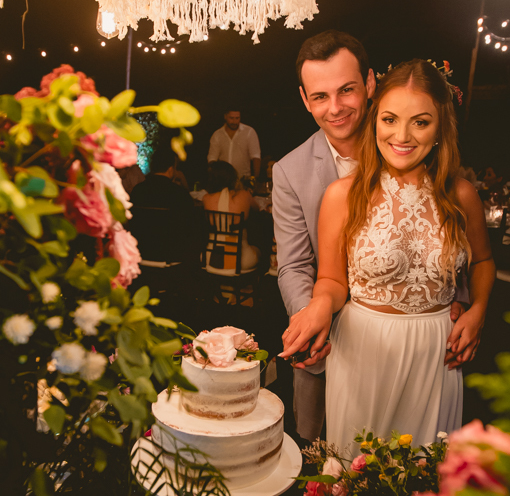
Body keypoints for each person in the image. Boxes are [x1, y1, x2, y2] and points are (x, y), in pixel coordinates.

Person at [280, 59, 494, 454]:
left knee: (424, 472)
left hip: (436, 355)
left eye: (420, 122)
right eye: (390, 119)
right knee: (357, 470)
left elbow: (482, 261)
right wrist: (319, 306)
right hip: (363, 351)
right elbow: (331, 280)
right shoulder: (343, 195)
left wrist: (478, 309)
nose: (402, 135)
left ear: (440, 127)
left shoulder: (462, 195)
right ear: (375, 119)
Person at [128, 140, 198, 266]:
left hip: (141, 252)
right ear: (171, 170)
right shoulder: (179, 194)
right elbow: (190, 228)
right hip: (170, 255)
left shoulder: (138, 191)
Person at [203, 160, 260, 271]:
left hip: (210, 258)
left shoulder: (206, 199)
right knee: (259, 248)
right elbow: (257, 209)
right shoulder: (244, 195)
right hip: (241, 260)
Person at [208, 108, 261, 181]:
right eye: (231, 118)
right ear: (225, 116)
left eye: (237, 118)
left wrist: (255, 179)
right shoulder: (217, 135)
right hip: (223, 180)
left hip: (243, 179)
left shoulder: (249, 132)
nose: (234, 122)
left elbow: (256, 157)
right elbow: (212, 158)